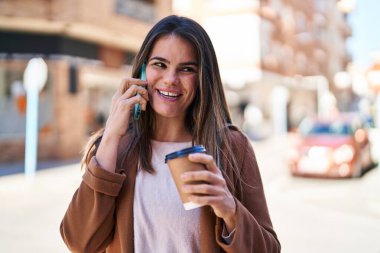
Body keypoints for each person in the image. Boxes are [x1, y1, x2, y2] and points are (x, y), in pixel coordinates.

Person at [60, 15, 281, 253]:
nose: (170, 80)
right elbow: (79, 242)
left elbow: (268, 249)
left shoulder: (232, 147)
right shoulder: (116, 148)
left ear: (201, 78)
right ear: (143, 70)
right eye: (160, 64)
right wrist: (113, 133)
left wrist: (230, 210)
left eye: (186, 69)